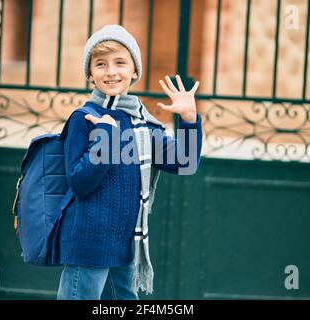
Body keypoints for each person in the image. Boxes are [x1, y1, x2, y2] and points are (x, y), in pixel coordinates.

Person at [56, 24, 202, 300]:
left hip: (126, 247)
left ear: (134, 71)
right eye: (100, 64)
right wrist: (106, 138)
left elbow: (185, 162)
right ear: (90, 73)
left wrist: (189, 120)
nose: (111, 71)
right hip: (89, 246)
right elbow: (80, 183)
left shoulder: (143, 124)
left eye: (120, 62)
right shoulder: (84, 118)